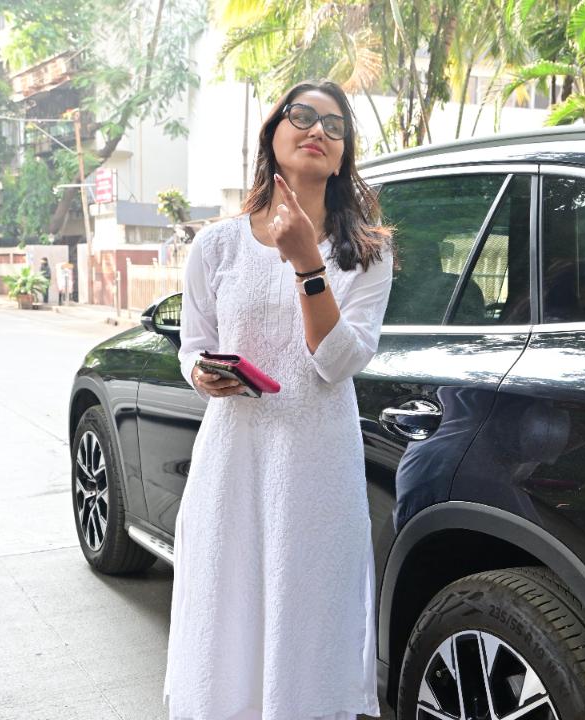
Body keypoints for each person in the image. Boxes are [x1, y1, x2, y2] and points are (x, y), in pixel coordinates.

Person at [164, 80, 394, 720]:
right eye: (301, 116)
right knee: (226, 605)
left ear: (344, 155)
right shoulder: (217, 244)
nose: (317, 129)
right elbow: (193, 344)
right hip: (234, 457)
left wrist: (306, 266)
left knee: (308, 611)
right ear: (273, 134)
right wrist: (203, 375)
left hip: (316, 462)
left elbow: (339, 363)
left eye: (334, 125)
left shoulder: (368, 253)